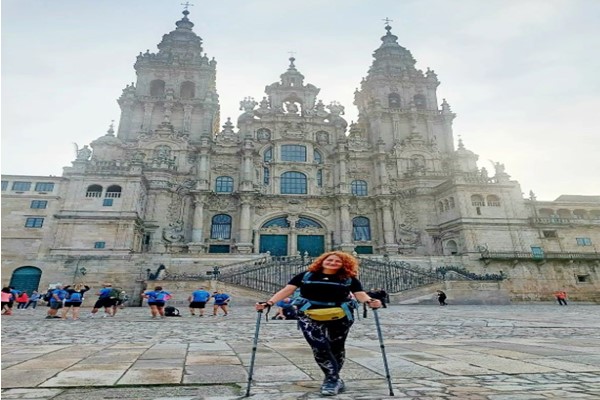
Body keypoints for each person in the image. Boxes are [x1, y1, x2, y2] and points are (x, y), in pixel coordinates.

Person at [255, 251, 381, 396]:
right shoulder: (305, 275)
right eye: (330, 260)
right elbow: (287, 290)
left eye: (337, 261)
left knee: (336, 347)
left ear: (344, 264)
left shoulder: (348, 278)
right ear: (322, 260)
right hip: (309, 315)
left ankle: (332, 378)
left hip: (339, 315)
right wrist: (269, 302)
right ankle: (333, 380)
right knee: (319, 346)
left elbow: (360, 294)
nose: (332, 263)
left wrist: (370, 301)